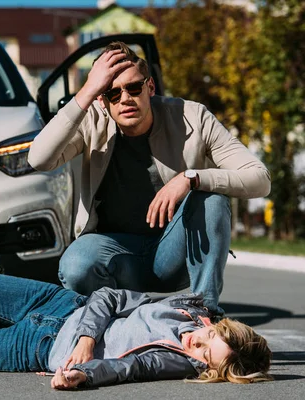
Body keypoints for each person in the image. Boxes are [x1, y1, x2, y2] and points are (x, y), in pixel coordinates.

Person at [27, 42, 271, 316]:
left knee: (211, 200)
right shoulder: (91, 121)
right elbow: (39, 159)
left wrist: (190, 178)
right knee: (76, 264)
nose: (126, 99)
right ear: (101, 98)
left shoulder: (192, 117)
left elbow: (259, 178)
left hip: (176, 253)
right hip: (116, 256)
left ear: (150, 87)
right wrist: (86, 92)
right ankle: (112, 321)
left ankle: (203, 318)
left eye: (134, 88)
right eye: (112, 93)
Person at [0, 267, 272, 390]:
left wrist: (79, 374)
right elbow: (110, 297)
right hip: (57, 303)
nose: (196, 346)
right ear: (219, 326)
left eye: (205, 359)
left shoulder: (176, 362)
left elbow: (127, 369)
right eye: (209, 340)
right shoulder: (187, 308)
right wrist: (89, 338)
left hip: (35, 347)